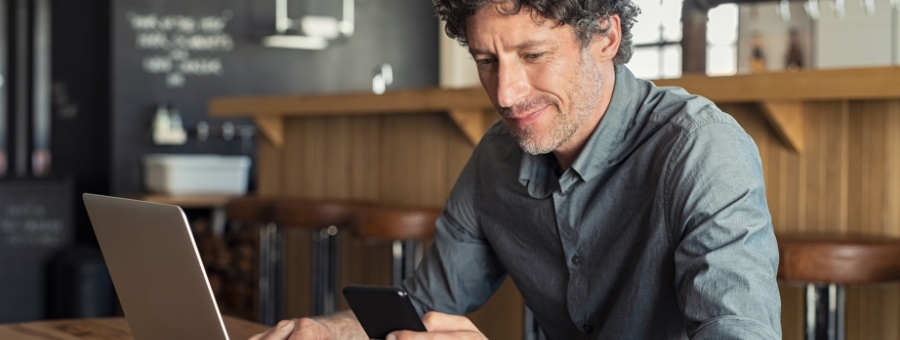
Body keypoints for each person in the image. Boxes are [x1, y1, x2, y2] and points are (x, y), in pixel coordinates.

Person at [252, 0, 782, 338]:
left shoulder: (701, 150)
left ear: (606, 37)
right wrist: (327, 332)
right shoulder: (498, 158)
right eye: (487, 61)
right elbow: (428, 301)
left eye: (532, 55)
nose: (505, 94)